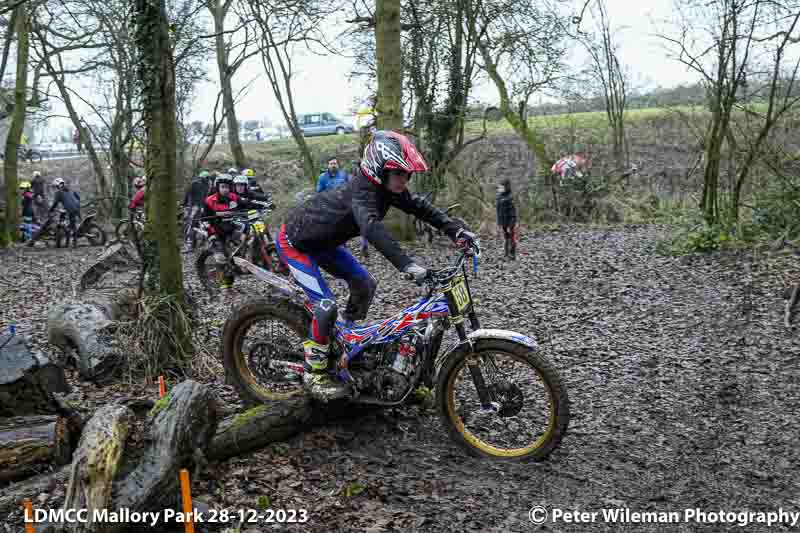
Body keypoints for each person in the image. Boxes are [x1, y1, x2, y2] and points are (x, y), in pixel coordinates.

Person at [276, 130, 476, 400]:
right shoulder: (361, 193)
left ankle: (344, 340)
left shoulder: (388, 188)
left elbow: (420, 207)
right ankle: (315, 372)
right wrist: (407, 265)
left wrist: (456, 232)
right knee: (325, 306)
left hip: (325, 243)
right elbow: (371, 228)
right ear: (378, 169)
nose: (404, 180)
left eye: (407, 175)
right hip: (295, 243)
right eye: (398, 174)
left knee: (365, 284)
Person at [203, 174, 262, 289]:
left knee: (245, 236)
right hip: (216, 231)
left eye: (228, 187)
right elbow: (205, 220)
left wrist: (262, 205)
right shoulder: (210, 201)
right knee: (222, 258)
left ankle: (242, 260)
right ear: (218, 187)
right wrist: (212, 234)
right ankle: (225, 282)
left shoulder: (234, 197)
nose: (225, 190)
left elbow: (247, 203)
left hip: (231, 228)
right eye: (223, 187)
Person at [183, 170, 212, 251]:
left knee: (193, 225)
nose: (208, 179)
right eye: (207, 178)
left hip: (196, 207)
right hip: (198, 207)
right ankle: (193, 243)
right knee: (195, 225)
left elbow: (188, 194)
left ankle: (191, 244)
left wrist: (185, 204)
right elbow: (189, 194)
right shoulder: (204, 185)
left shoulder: (199, 184)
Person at [49, 178, 81, 248]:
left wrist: (50, 210)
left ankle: (73, 243)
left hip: (70, 209)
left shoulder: (58, 193)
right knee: (73, 224)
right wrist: (76, 204)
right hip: (77, 207)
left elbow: (55, 203)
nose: (56, 188)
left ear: (57, 186)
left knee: (71, 225)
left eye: (55, 187)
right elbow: (78, 197)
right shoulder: (70, 189)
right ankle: (71, 241)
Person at [496, 179, 518, 260]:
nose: (499, 189)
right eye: (499, 187)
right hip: (503, 222)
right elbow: (499, 212)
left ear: (506, 187)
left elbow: (513, 213)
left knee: (511, 238)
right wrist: (499, 223)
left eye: (501, 187)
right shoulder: (499, 197)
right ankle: (506, 254)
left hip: (510, 222)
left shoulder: (510, 198)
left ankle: (512, 254)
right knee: (506, 238)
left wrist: (511, 224)